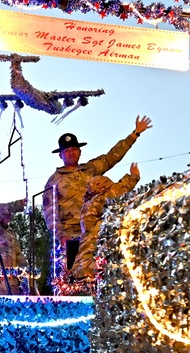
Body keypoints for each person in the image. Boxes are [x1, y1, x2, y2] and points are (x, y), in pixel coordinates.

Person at [42, 115, 152, 268]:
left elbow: (111, 157)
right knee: (76, 280)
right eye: (67, 150)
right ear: (60, 155)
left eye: (74, 149)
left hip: (96, 230)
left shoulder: (90, 169)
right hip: (72, 237)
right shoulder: (53, 181)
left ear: (80, 152)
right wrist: (62, 236)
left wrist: (135, 134)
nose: (71, 153)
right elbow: (50, 214)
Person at [70, 165, 142, 281]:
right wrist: (133, 177)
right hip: (90, 264)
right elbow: (114, 193)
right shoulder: (95, 202)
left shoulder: (93, 205)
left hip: (91, 262)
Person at [0, 199, 29, 295]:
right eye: (6, 213)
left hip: (12, 278)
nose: (9, 215)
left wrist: (26, 269)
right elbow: (2, 209)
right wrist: (18, 204)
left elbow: (18, 253)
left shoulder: (10, 233)